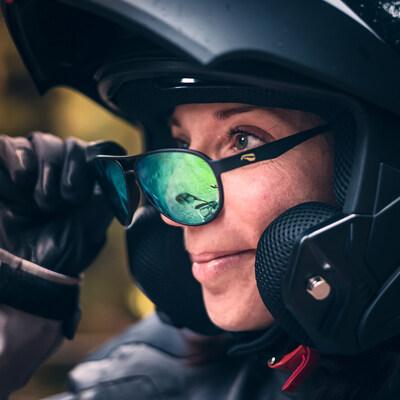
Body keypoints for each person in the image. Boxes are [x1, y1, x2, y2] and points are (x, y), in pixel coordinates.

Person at [0, 1, 400, 399]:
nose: (176, 214)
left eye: (242, 139)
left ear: (372, 164)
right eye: (181, 144)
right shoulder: (152, 379)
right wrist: (15, 315)